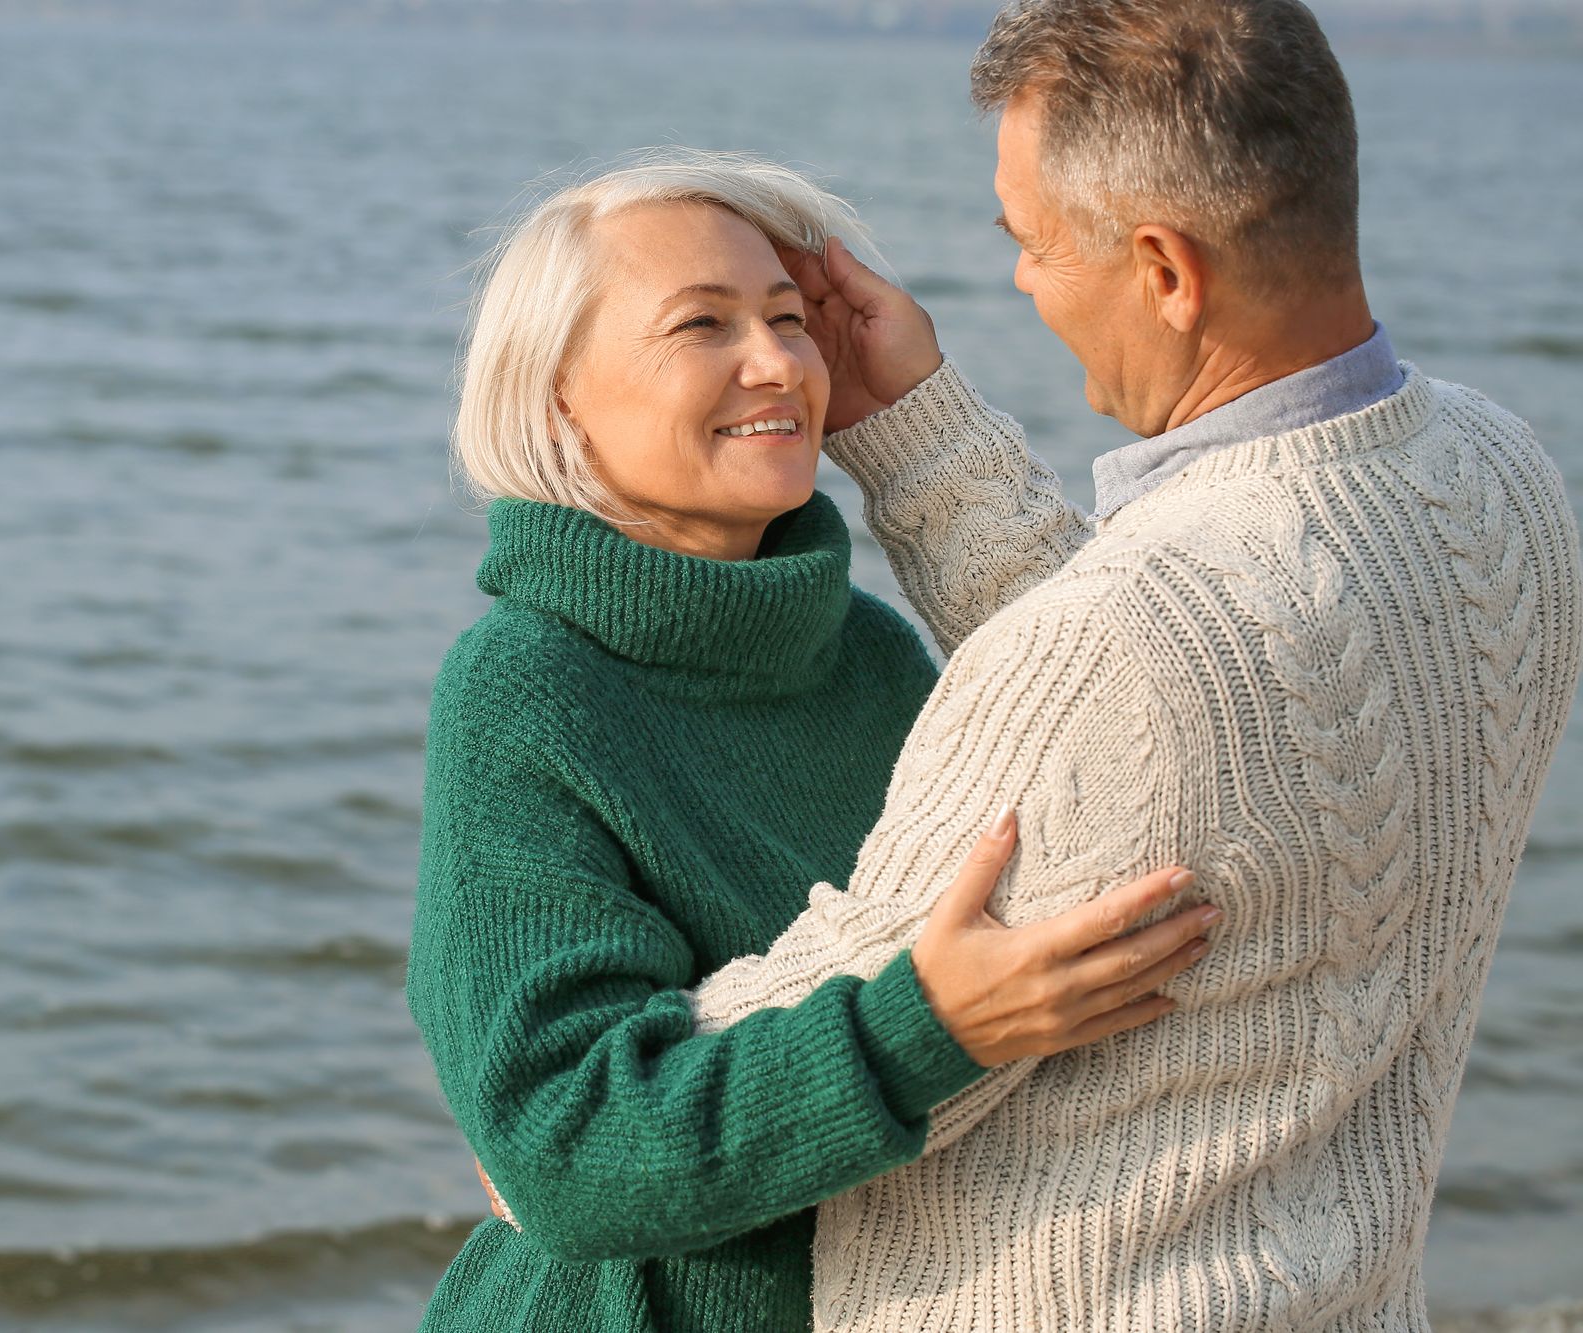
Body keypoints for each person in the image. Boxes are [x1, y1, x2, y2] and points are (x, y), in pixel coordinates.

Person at [687, 2, 1583, 1329]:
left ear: (1165, 270)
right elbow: (1217, 698)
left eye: (1033, 244)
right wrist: (918, 429)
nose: (1021, 284)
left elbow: (769, 1078)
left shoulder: (1125, 643)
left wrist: (537, 1142)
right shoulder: (1505, 476)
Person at [405, 151, 1220, 1332]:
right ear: (557, 397)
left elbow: (1130, 729)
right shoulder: (525, 688)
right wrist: (923, 1029)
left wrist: (912, 413)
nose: (779, 360)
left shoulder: (869, 652)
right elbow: (563, 1148)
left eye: (790, 320)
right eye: (703, 324)